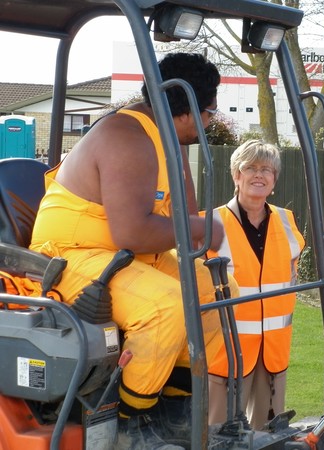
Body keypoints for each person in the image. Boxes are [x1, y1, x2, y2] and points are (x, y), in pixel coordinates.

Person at [29, 53, 236, 450]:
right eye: (209, 111)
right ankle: (131, 425)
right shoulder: (126, 136)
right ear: (188, 106)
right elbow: (134, 232)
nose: (210, 121)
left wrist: (198, 226)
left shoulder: (167, 141)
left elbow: (185, 220)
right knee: (166, 306)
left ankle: (177, 414)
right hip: (71, 254)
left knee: (216, 294)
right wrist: (201, 228)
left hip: (122, 254)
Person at [205, 139, 305, 430]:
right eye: (250, 168)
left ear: (274, 180)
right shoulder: (210, 224)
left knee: (267, 435)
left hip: (273, 352)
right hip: (226, 352)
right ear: (236, 175)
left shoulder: (288, 222)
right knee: (219, 435)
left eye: (267, 169)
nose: (259, 175)